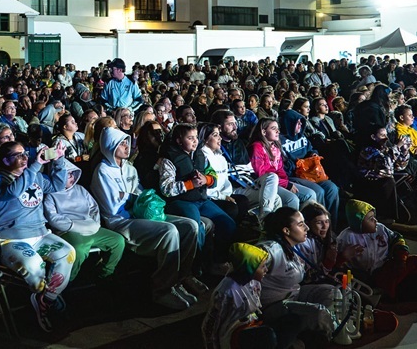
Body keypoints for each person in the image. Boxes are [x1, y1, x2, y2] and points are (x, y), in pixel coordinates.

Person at [91, 127, 202, 310]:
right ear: (110, 146)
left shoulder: (129, 168)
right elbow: (113, 207)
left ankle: (180, 278)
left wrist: (130, 196)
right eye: (121, 143)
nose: (127, 146)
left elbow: (140, 193)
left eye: (127, 142)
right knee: (169, 231)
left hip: (140, 214)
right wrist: (133, 198)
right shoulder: (102, 172)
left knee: (189, 226)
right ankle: (162, 289)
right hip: (122, 221)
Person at [0, 141, 74, 332]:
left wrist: (59, 160)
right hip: (11, 239)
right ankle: (47, 302)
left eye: (24, 153)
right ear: (4, 160)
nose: (24, 157)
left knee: (68, 253)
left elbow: (58, 185)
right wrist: (35, 165)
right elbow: (14, 191)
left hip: (40, 234)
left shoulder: (35, 176)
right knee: (35, 266)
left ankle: (45, 300)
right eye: (17, 155)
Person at [157, 124, 236, 264]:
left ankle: (217, 261)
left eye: (195, 138)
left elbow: (212, 175)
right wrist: (190, 184)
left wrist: (207, 179)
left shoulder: (200, 155)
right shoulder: (169, 159)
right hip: (182, 201)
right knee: (196, 227)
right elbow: (166, 188)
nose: (195, 141)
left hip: (201, 200)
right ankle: (196, 265)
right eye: (190, 138)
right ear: (179, 141)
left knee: (227, 223)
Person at [257, 207, 334, 346]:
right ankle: (332, 336)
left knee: (330, 292)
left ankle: (316, 333)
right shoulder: (273, 248)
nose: (306, 228)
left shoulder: (291, 247)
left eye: (305, 223)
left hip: (294, 295)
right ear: (286, 230)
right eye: (300, 224)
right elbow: (258, 254)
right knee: (318, 313)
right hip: (273, 307)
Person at [202, 243, 299, 349]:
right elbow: (210, 326)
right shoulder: (227, 292)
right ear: (249, 268)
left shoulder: (254, 281)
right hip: (234, 334)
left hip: (252, 323)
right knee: (267, 336)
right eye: (262, 267)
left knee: (292, 319)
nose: (266, 270)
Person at [43, 159, 126, 283]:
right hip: (67, 231)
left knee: (118, 241)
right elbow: (52, 217)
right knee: (79, 250)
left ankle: (105, 274)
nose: (71, 177)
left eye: (72, 173)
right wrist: (72, 225)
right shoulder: (50, 195)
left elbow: (94, 207)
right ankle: (66, 282)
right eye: (67, 174)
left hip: (90, 227)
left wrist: (94, 223)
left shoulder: (80, 189)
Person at [248, 119, 313, 208]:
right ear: (263, 132)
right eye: (273, 128)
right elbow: (260, 174)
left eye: (278, 128)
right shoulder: (257, 147)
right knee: (292, 199)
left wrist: (286, 181)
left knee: (310, 194)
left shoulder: (275, 146)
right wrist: (285, 184)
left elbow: (279, 169)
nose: (278, 131)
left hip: (280, 181)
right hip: (266, 184)